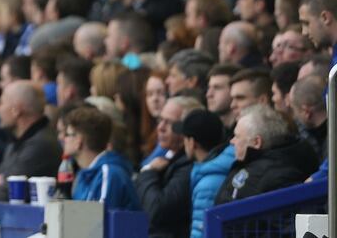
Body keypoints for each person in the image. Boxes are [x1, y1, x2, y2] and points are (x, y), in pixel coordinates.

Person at [215, 104, 319, 204]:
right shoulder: (249, 164)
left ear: (256, 142)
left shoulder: (279, 177)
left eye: (237, 136)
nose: (232, 141)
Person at [136, 96, 203, 238]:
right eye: (160, 120)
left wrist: (148, 173)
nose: (160, 128)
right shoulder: (167, 156)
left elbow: (157, 211)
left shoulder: (189, 164)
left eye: (169, 123)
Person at [65, 106, 140, 210]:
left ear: (79, 140)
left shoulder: (109, 173)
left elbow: (98, 221)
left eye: (67, 134)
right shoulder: (83, 175)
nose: (63, 139)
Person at [0, 81, 63, 199]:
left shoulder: (42, 145)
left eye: (2, 102)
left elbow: (5, 192)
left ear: (16, 110)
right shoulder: (15, 143)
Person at [177, 110, 234, 238]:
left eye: (185, 139)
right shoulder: (221, 167)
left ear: (192, 143)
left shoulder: (207, 185)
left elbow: (201, 231)